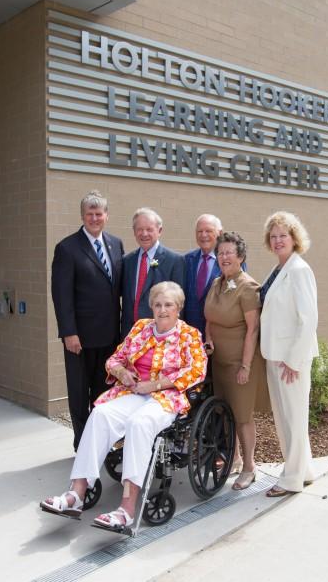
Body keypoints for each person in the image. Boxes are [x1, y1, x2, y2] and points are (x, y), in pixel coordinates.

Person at [40, 282, 206, 530]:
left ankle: (126, 509)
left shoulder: (189, 335)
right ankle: (76, 494)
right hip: (133, 391)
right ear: (151, 306)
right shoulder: (140, 328)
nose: (162, 310)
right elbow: (115, 359)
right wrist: (122, 372)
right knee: (101, 414)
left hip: (166, 398)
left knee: (138, 424)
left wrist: (157, 385)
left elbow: (197, 370)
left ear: (178, 308)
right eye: (157, 304)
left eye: (168, 305)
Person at [51, 190, 125, 450]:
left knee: (103, 393)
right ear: (82, 216)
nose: (95, 218)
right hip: (79, 339)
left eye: (99, 213)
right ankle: (82, 446)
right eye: (89, 214)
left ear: (106, 216)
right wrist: (69, 332)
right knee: (80, 394)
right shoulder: (67, 248)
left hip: (109, 337)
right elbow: (61, 296)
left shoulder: (116, 244)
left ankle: (101, 443)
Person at [203, 232, 269, 490]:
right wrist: (208, 338)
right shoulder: (216, 283)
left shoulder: (248, 287)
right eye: (220, 253)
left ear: (241, 256)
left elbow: (253, 329)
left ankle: (250, 466)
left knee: (242, 416)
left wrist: (245, 366)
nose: (224, 257)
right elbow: (209, 316)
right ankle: (236, 459)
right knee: (224, 412)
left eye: (230, 252)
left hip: (240, 362)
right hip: (218, 361)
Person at [259, 211, 318, 497]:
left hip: (290, 360)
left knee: (292, 419)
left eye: (284, 235)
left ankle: (291, 479)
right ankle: (303, 470)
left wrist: (294, 360)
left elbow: (308, 319)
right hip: (275, 354)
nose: (279, 240)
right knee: (286, 418)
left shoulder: (299, 270)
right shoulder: (278, 270)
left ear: (295, 238)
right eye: (274, 236)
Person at [120, 208, 186, 338]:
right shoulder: (127, 261)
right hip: (130, 334)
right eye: (139, 229)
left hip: (160, 334)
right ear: (134, 232)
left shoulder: (174, 260)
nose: (144, 234)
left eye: (149, 229)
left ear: (159, 231)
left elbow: (179, 303)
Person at [183, 214, 224, 337]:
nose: (203, 235)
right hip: (189, 333)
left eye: (208, 231)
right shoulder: (186, 260)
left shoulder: (230, 261)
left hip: (217, 332)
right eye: (199, 231)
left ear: (220, 233)